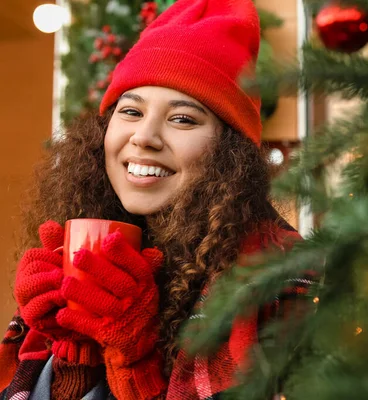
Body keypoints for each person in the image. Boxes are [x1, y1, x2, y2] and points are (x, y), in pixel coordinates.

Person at [0, 0, 308, 398]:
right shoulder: (78, 257)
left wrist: (134, 363)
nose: (144, 136)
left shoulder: (284, 279)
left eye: (182, 118)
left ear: (230, 152)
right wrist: (74, 352)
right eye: (130, 111)